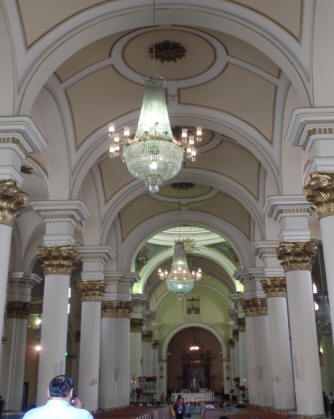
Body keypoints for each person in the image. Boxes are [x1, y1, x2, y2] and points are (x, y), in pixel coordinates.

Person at [22, 375, 93, 418]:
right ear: (71, 392)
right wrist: (79, 411)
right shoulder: (84, 415)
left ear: (48, 392)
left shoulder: (30, 414)